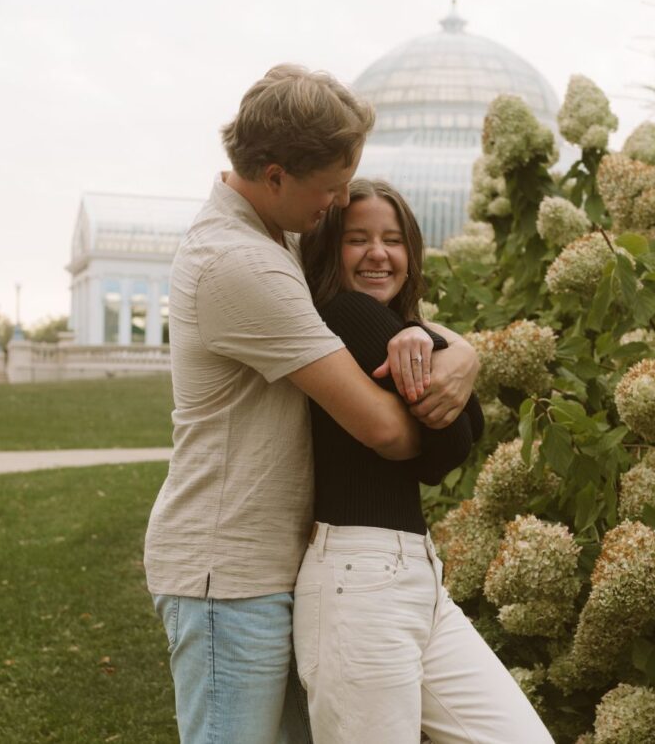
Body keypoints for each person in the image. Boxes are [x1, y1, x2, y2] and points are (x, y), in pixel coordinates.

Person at [143, 66, 480, 744]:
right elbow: (385, 427)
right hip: (229, 575)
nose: (339, 201)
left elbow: (370, 299)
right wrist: (450, 426)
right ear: (274, 175)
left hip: (282, 565)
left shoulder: (277, 235)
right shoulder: (243, 263)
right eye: (329, 189)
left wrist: (464, 350)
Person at [294, 179, 553, 744]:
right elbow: (453, 445)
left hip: (414, 576)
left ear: (411, 253)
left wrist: (449, 346)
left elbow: (461, 429)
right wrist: (449, 352)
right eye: (356, 239)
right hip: (358, 580)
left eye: (393, 239)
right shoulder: (345, 313)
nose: (377, 253)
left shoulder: (395, 329)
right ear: (328, 249)